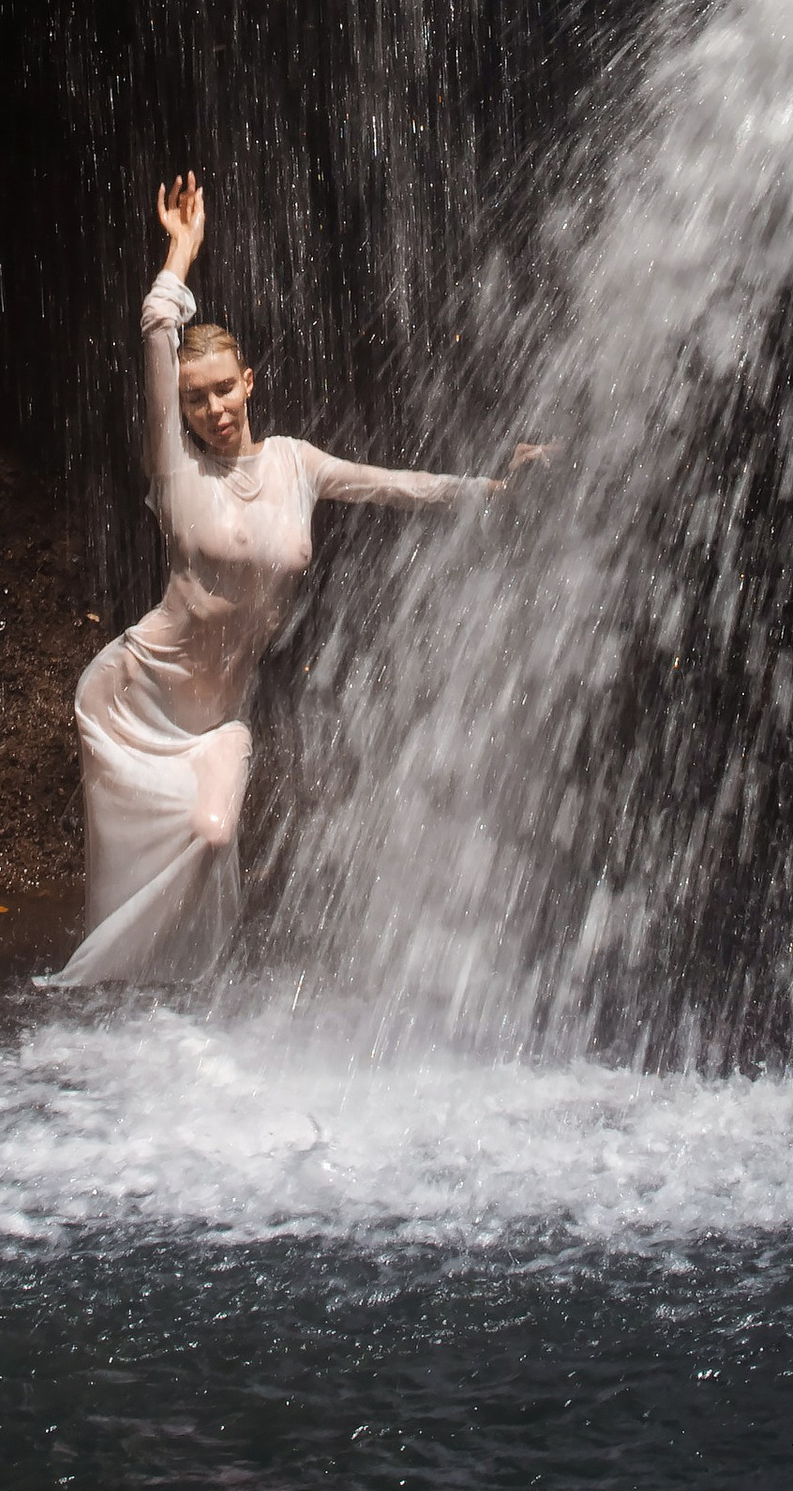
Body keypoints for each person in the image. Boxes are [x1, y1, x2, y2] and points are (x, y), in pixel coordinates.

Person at [49, 170, 551, 989]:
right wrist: (181, 252)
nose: (211, 410)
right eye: (194, 401)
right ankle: (126, 997)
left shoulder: (295, 463)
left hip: (218, 719)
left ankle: (163, 982)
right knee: (145, 860)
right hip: (136, 698)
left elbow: (397, 486)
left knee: (212, 835)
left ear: (248, 384)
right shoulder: (173, 473)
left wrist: (494, 492)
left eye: (222, 390)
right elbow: (154, 330)